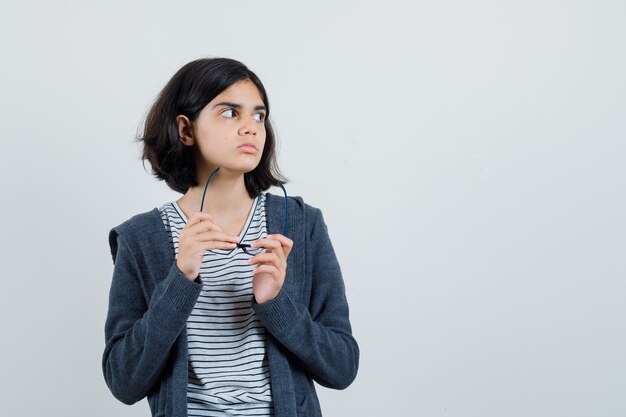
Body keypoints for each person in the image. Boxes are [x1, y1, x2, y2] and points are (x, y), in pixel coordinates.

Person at [102, 57, 359, 417]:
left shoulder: (301, 224)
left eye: (258, 115)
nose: (251, 128)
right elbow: (124, 381)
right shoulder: (140, 238)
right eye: (229, 113)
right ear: (185, 130)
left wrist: (276, 303)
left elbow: (342, 367)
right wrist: (180, 279)